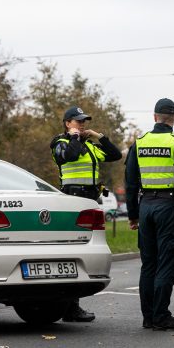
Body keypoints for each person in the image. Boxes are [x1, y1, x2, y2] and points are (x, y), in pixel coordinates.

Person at [125, 98, 174, 330]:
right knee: (167, 263)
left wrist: (132, 215)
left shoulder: (139, 143)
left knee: (148, 264)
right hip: (169, 208)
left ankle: (148, 316)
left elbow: (130, 182)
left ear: (154, 117)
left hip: (146, 206)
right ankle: (161, 315)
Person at [51, 105, 123, 322]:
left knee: (83, 254)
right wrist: (74, 138)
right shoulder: (60, 143)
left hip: (90, 201)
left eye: (84, 122)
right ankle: (70, 307)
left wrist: (98, 136)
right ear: (67, 123)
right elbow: (69, 157)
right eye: (78, 121)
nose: (82, 125)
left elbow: (115, 154)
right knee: (71, 253)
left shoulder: (90, 145)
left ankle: (73, 306)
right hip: (72, 200)